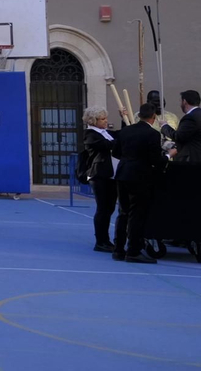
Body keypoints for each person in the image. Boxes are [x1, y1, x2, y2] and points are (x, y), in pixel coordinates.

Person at [113, 103, 165, 264]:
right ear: (154, 117)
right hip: (140, 177)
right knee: (137, 214)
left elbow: (116, 152)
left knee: (123, 212)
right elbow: (156, 160)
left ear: (139, 116)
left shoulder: (125, 131)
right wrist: (168, 155)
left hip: (123, 173)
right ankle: (134, 250)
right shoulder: (153, 134)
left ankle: (119, 249)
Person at [81, 107, 122, 253]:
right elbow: (108, 145)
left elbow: (120, 135)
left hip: (110, 175)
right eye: (102, 119)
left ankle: (105, 240)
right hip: (99, 176)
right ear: (94, 121)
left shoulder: (105, 133)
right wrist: (120, 140)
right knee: (103, 209)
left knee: (109, 208)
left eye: (106, 118)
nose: (106, 121)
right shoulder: (90, 134)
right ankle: (101, 241)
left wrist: (123, 118)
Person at [172, 90, 200, 162]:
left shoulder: (190, 118)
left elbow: (179, 136)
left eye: (180, 101)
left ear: (184, 101)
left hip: (193, 160)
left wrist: (164, 126)